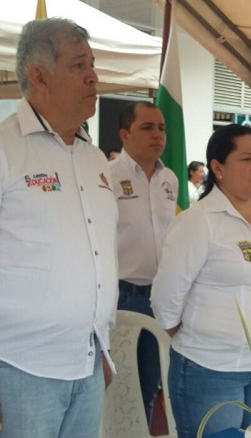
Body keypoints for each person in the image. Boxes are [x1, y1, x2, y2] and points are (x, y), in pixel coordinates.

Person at [0, 18, 116, 438]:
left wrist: (100, 344)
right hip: (14, 372)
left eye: (92, 64)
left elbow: (98, 259)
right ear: (39, 76)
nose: (93, 76)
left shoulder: (96, 160)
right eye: (79, 65)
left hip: (85, 366)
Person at [151, 124, 251, 438]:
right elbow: (165, 296)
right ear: (218, 167)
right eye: (246, 158)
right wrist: (198, 338)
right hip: (210, 369)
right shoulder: (199, 221)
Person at [109, 101, 177, 422]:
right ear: (124, 134)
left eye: (161, 128)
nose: (157, 135)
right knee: (118, 387)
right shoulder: (107, 176)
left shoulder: (170, 179)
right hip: (122, 297)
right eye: (147, 127)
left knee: (149, 384)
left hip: (159, 298)